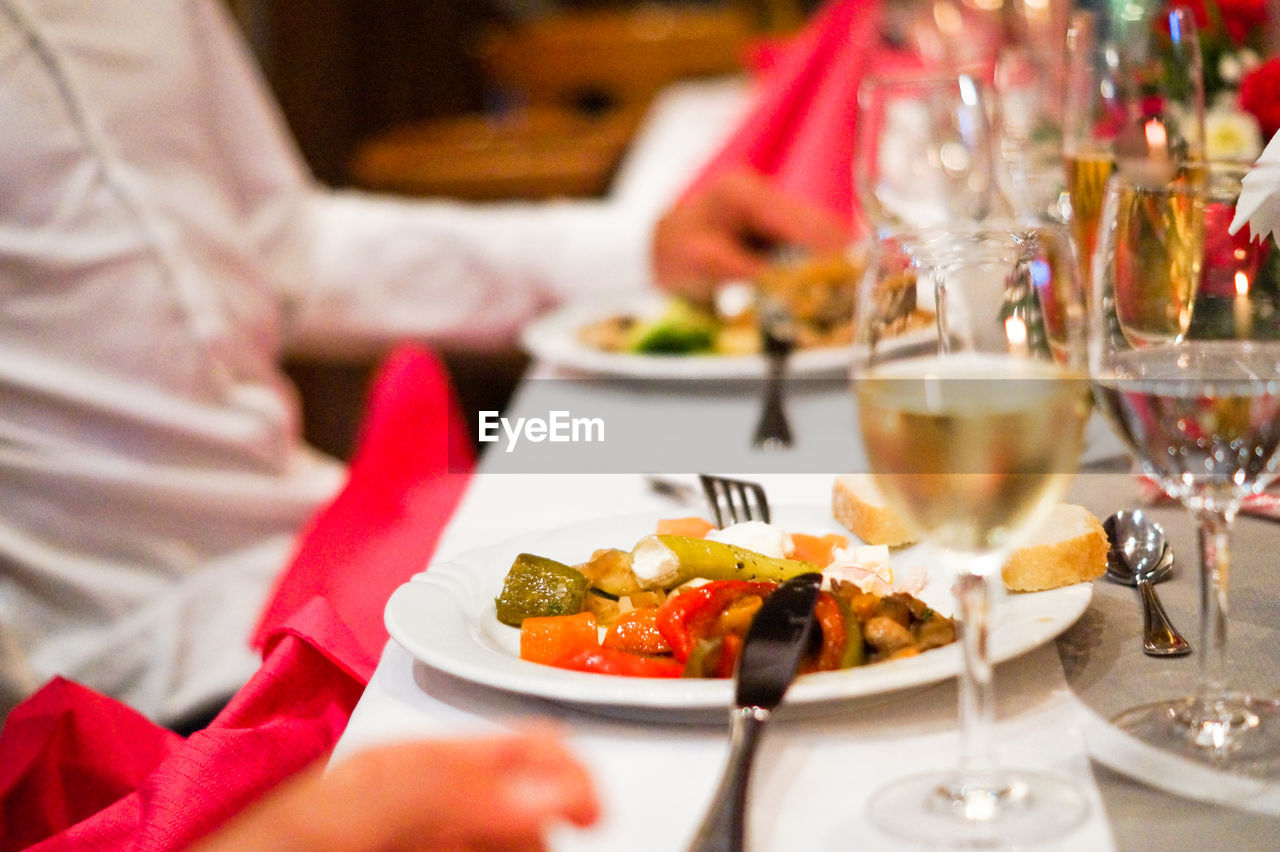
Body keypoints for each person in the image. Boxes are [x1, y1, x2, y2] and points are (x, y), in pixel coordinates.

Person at [0, 0, 848, 726]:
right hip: (144, 672)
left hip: (317, 539)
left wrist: (642, 251)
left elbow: (284, 249)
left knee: (735, 588)